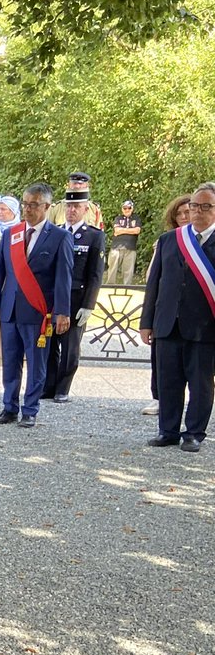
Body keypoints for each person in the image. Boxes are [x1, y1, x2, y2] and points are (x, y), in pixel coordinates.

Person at [0, 182, 74, 428]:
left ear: (46, 206)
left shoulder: (60, 237)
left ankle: (30, 409)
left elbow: (63, 278)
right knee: (10, 362)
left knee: (36, 363)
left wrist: (62, 312)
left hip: (38, 312)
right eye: (25, 204)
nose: (27, 209)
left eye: (33, 205)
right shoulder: (10, 234)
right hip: (10, 309)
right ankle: (9, 407)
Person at [140, 182, 215, 452]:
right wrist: (146, 322)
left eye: (206, 206)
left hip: (205, 327)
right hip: (167, 323)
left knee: (200, 384)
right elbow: (155, 285)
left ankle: (194, 432)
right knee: (168, 381)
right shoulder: (170, 240)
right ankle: (167, 430)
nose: (198, 212)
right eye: (195, 206)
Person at [44, 189, 106, 403]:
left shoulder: (94, 236)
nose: (71, 210)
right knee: (49, 344)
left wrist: (89, 304)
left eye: (76, 207)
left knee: (70, 347)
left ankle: (63, 388)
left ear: (85, 209)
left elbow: (95, 274)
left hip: (76, 299)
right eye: (68, 206)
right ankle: (49, 386)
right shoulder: (54, 231)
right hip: (53, 299)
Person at [142, 195, 192, 416]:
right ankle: (160, 399)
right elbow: (153, 279)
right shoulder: (166, 240)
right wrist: (147, 321)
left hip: (195, 317)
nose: (183, 217)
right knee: (163, 365)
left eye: (187, 212)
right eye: (179, 213)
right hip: (166, 313)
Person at [107, 200, 141, 284]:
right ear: (122, 209)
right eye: (124, 208)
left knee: (128, 270)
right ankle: (110, 287)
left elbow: (137, 231)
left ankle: (127, 288)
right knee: (112, 268)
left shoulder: (136, 218)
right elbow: (117, 231)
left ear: (132, 208)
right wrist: (130, 230)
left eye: (129, 208)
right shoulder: (118, 218)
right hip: (116, 247)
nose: (127, 210)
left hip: (131, 247)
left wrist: (123, 230)